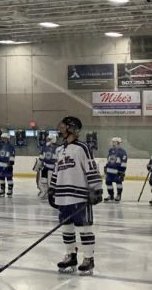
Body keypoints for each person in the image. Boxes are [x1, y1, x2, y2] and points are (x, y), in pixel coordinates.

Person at [49, 116, 102, 276]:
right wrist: (52, 189)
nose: (60, 128)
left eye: (64, 126)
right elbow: (56, 172)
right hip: (63, 197)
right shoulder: (59, 150)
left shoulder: (82, 148)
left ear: (71, 128)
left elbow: (91, 168)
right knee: (67, 228)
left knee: (84, 228)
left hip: (79, 197)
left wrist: (96, 189)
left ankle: (88, 258)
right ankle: (71, 256)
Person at [103, 137, 127, 203]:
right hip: (109, 171)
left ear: (118, 143)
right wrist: (106, 166)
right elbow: (109, 159)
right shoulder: (111, 150)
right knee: (108, 182)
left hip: (117, 171)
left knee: (118, 183)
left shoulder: (123, 152)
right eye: (112, 142)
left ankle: (119, 195)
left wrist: (122, 171)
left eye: (114, 142)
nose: (112, 143)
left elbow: (124, 162)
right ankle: (111, 195)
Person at [0, 133, 16, 197]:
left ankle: (10, 190)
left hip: (8, 166)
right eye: (2, 138)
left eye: (4, 138)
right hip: (0, 166)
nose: (3, 139)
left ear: (8, 139)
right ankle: (2, 190)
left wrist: (11, 163)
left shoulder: (11, 147)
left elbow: (12, 155)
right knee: (1, 178)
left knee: (9, 178)